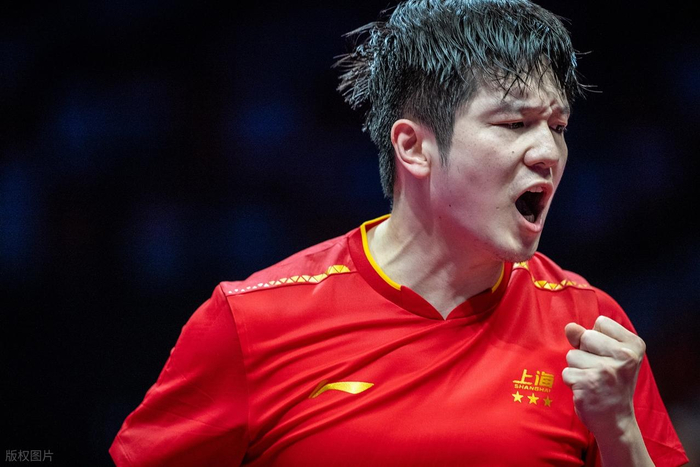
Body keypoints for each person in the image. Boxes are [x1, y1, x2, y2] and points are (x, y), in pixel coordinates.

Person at [110, 0, 688, 465]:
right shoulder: (252, 321)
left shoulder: (591, 329)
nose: (548, 152)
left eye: (557, 126)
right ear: (414, 146)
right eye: (514, 123)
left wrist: (619, 431)